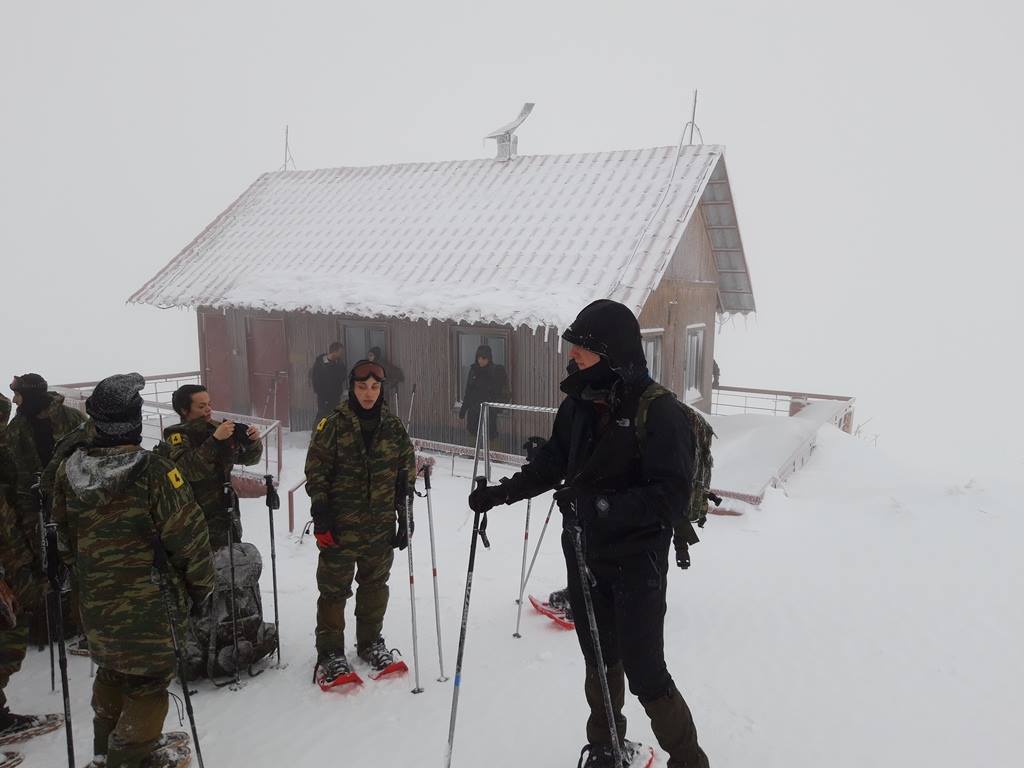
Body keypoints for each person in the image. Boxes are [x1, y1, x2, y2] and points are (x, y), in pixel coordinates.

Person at [468, 299, 710, 768]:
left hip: (638, 562)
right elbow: (553, 463)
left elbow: (670, 499)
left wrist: (599, 506)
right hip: (583, 552)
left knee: (644, 670)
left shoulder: (660, 414)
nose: (572, 353)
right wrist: (502, 494)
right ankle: (606, 744)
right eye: (573, 344)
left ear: (612, 351)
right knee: (598, 656)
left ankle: (688, 760)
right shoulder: (579, 403)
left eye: (582, 346)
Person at [52, 373, 215, 768]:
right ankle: (128, 757)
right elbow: (190, 542)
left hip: (96, 604)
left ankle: (103, 751)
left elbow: (64, 544)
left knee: (112, 671)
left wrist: (89, 581)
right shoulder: (155, 473)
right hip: (151, 607)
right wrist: (199, 590)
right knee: (147, 683)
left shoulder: (69, 473)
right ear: (135, 422)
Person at [304, 359, 416, 685]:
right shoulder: (332, 424)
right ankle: (330, 653)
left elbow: (404, 477)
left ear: (382, 389)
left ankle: (370, 644)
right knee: (334, 591)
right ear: (351, 388)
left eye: (375, 387)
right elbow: (317, 473)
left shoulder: (393, 428)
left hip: (379, 528)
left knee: (374, 587)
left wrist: (404, 516)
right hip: (340, 526)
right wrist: (321, 516)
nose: (369, 394)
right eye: (362, 387)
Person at [156, 385, 262, 549]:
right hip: (196, 520)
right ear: (185, 410)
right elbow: (189, 470)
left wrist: (253, 441)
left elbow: (249, 459)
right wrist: (215, 440)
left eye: (209, 404)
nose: (208, 409)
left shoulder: (216, 428)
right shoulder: (176, 436)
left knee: (231, 563)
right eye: (201, 406)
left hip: (226, 514)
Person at [458, 345, 509, 442]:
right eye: (478, 357)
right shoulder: (473, 371)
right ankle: (472, 456)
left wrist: (496, 408)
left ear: (489, 358)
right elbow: (468, 392)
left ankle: (492, 456)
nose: (480, 360)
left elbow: (504, 392)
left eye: (483, 358)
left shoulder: (496, 371)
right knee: (472, 438)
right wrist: (463, 409)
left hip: (488, 412)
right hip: (473, 412)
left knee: (490, 438)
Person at [311, 341, 347, 422]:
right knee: (322, 416)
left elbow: (342, 377)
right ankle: (318, 432)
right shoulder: (320, 363)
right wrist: (320, 392)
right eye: (340, 352)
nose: (342, 354)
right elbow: (315, 378)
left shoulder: (339, 363)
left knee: (334, 416)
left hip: (335, 396)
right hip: (323, 397)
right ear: (334, 352)